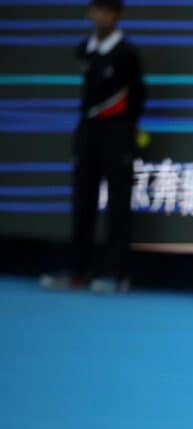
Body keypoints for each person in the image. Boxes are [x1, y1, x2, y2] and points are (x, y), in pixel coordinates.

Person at [40, 0, 146, 294]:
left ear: (118, 16)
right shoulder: (84, 50)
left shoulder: (127, 54)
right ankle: (77, 271)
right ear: (89, 13)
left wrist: (126, 132)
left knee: (118, 206)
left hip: (118, 133)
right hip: (88, 132)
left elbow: (137, 96)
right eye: (97, 9)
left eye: (108, 11)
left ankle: (116, 274)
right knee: (82, 201)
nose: (101, 16)